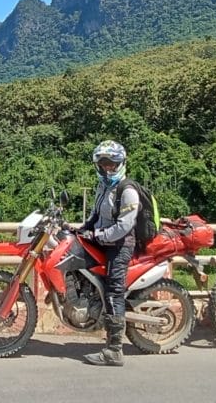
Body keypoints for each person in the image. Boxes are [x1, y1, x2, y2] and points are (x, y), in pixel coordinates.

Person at [78, 140, 139, 367]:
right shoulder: (103, 187)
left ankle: (114, 350)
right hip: (104, 239)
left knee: (113, 291)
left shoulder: (128, 190)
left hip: (120, 245)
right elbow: (95, 216)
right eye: (103, 164)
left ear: (121, 163)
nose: (107, 168)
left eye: (112, 164)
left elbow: (124, 226)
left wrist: (100, 236)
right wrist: (80, 230)